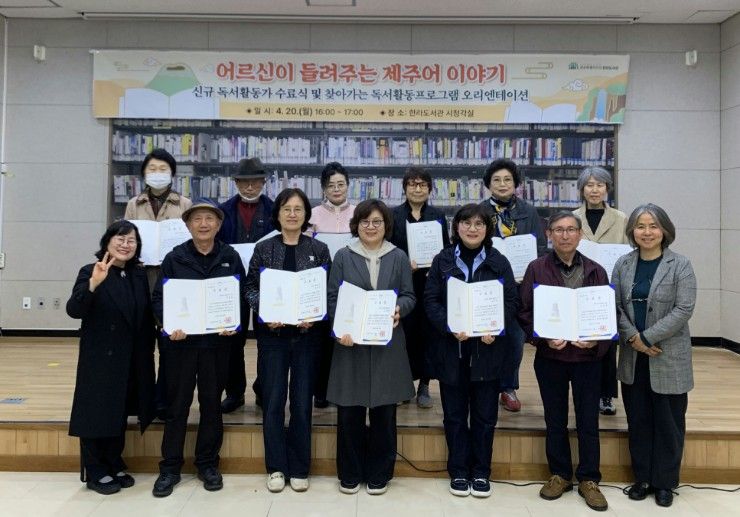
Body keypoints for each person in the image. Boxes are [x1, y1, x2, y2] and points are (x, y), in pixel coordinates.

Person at [151, 200, 247, 498]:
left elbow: (241, 297)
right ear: (188, 224)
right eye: (197, 219)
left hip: (216, 345)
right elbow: (159, 299)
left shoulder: (230, 256)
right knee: (177, 406)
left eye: (209, 219)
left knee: (211, 405)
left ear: (219, 224)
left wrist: (235, 324)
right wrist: (169, 325)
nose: (203, 224)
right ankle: (170, 468)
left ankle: (207, 464)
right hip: (181, 345)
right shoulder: (174, 258)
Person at [424, 204, 518, 498]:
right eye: (466, 223)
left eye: (479, 224)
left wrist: (495, 327)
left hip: (487, 352)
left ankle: (480, 472)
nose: (472, 229)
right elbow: (431, 300)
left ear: (487, 229)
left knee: (485, 417)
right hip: (452, 351)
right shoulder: (442, 260)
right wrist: (449, 325)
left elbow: (511, 302)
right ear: (457, 227)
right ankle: (458, 471)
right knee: (454, 416)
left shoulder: (499, 261)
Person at [518, 212, 611, 512]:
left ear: (580, 235)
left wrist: (597, 340)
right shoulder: (536, 268)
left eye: (571, 229)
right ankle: (559, 474)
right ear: (549, 234)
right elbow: (524, 311)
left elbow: (606, 313)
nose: (565, 235)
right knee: (554, 418)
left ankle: (589, 478)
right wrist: (542, 338)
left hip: (587, 358)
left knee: (588, 419)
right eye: (559, 230)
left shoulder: (596, 270)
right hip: (551, 357)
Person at [245, 188, 332, 493]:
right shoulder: (264, 248)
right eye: (286, 209)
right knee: (273, 401)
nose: (292, 214)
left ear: (306, 214)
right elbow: (250, 287)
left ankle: (299, 467)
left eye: (298, 209)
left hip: (307, 337)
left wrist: (316, 315)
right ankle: (276, 467)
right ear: (278, 214)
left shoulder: (319, 249)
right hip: (273, 337)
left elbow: (327, 291)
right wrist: (266, 312)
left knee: (302, 402)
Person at [327, 199, 416, 496]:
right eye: (365, 221)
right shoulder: (343, 255)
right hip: (350, 343)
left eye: (377, 221)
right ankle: (350, 473)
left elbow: (409, 295)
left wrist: (399, 309)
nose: (370, 227)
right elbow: (332, 297)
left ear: (386, 225)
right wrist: (340, 328)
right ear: (356, 225)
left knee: (384, 413)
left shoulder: (398, 256)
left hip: (386, 343)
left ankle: (380, 473)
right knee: (349, 412)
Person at [612, 204, 696, 508]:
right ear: (632, 231)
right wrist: (634, 339)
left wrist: (647, 338)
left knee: (668, 422)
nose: (646, 232)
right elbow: (614, 305)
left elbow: (684, 309)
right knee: (639, 420)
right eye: (640, 226)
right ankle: (643, 478)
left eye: (653, 226)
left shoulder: (680, 264)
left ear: (665, 230)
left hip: (668, 354)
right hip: (633, 356)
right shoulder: (623, 264)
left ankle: (665, 482)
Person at [66, 220, 155, 495]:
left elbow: (144, 316)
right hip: (101, 358)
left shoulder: (138, 274)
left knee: (119, 412)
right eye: (120, 239)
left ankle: (113, 462)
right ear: (107, 242)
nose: (126, 245)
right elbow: (74, 310)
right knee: (96, 412)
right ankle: (95, 469)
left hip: (131, 358)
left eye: (131, 240)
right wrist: (93, 284)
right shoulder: (90, 270)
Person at [124, 148, 192, 418]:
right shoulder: (134, 204)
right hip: (141, 278)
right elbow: (126, 238)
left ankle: (164, 401)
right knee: (141, 345)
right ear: (143, 173)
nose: (157, 173)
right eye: (152, 169)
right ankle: (142, 401)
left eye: (163, 169)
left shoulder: (184, 204)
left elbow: (190, 242)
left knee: (169, 344)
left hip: (172, 279)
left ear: (172, 173)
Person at [480, 158, 546, 413]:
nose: (502, 184)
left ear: (516, 183)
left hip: (519, 286)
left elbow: (541, 247)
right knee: (486, 337)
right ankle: (486, 385)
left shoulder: (529, 211)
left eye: (507, 179)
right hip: (487, 284)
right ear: (488, 184)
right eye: (496, 180)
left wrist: (531, 273)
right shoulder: (479, 211)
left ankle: (508, 387)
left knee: (515, 339)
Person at [217, 157, 275, 414]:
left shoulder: (275, 209)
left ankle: (264, 390)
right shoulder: (223, 211)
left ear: (263, 182)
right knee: (232, 339)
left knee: (267, 338)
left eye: (255, 182)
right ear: (236, 183)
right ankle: (234, 392)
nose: (250, 187)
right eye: (244, 182)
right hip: (232, 282)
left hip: (267, 282)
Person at [390, 166, 450, 409]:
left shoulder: (437, 216)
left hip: (429, 284)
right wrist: (404, 265)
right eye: (412, 184)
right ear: (405, 188)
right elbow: (388, 249)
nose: (417, 189)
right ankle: (404, 384)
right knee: (404, 334)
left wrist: (436, 264)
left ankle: (424, 384)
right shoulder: (393, 215)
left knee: (428, 335)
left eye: (422, 185)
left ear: (429, 189)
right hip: (402, 285)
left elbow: (445, 249)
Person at [573, 166, 629, 416]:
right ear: (582, 189)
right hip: (577, 287)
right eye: (589, 185)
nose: (594, 190)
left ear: (607, 188)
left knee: (607, 344)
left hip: (609, 289)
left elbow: (628, 252)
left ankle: (606, 395)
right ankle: (585, 393)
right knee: (580, 343)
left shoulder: (621, 218)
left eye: (600, 185)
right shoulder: (572, 217)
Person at [308, 162, 355, 409]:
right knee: (322, 341)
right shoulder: (312, 215)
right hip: (320, 284)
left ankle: (344, 388)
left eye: (340, 184)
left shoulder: (359, 213)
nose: (336, 189)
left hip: (351, 285)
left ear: (348, 185)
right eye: (330, 185)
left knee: (346, 338)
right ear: (324, 189)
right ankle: (321, 390)